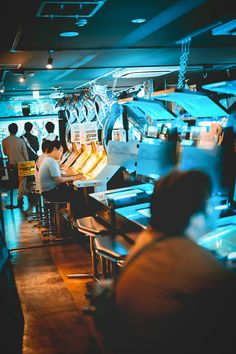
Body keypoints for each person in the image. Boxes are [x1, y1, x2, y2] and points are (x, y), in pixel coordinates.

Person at [106, 170, 236, 354]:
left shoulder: (150, 236)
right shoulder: (183, 257)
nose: (214, 207)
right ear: (193, 214)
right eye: (209, 201)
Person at [38, 140, 85, 219]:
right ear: (55, 149)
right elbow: (58, 180)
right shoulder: (51, 161)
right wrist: (75, 177)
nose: (62, 153)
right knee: (78, 196)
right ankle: (77, 221)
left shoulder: (47, 159)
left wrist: (73, 175)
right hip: (51, 193)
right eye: (61, 151)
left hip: (47, 192)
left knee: (71, 190)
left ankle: (71, 217)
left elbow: (58, 175)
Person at [2, 123, 29, 206]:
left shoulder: (4, 141)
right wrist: (27, 163)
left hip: (11, 163)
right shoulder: (20, 140)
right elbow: (25, 153)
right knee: (22, 181)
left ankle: (26, 193)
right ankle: (20, 197)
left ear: (9, 130)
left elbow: (5, 153)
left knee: (15, 182)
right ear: (17, 130)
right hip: (22, 162)